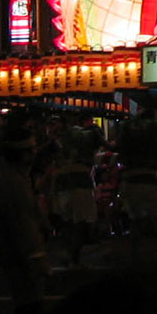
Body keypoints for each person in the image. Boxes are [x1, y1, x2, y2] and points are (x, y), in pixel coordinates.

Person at [0, 124, 51, 314]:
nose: (35, 154)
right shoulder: (14, 184)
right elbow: (22, 223)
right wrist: (36, 256)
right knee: (30, 306)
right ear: (23, 154)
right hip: (21, 256)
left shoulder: (15, 179)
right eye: (32, 149)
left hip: (16, 254)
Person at [116, 108, 157, 258]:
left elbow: (119, 149)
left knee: (135, 220)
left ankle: (133, 255)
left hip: (129, 178)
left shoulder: (127, 128)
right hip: (148, 177)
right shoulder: (156, 129)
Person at [53, 114, 105, 266]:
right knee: (80, 221)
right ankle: (74, 255)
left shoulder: (66, 137)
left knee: (68, 219)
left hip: (63, 178)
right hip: (80, 177)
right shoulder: (87, 136)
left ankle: (70, 253)